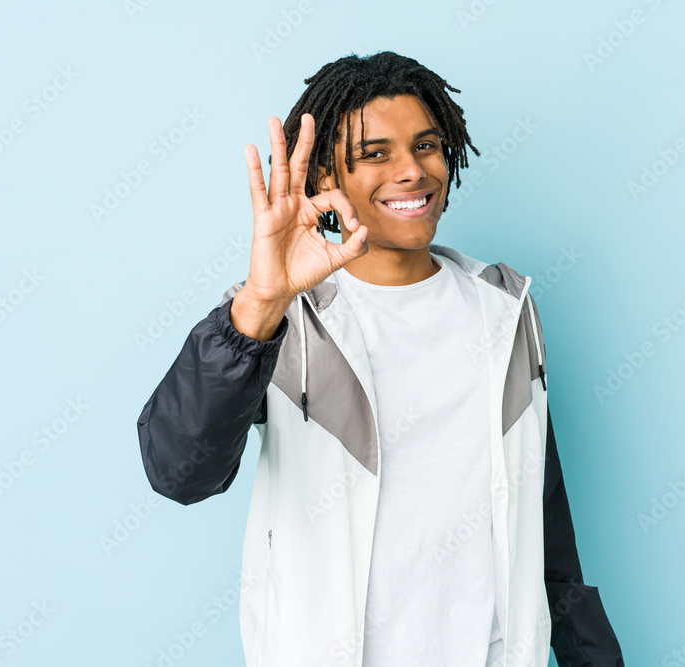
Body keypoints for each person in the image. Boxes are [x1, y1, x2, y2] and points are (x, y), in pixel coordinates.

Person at [137, 50, 624, 667]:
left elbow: (544, 520)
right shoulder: (283, 318)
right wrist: (262, 301)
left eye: (427, 146)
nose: (411, 171)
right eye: (375, 154)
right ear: (323, 181)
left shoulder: (506, 309)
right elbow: (180, 472)